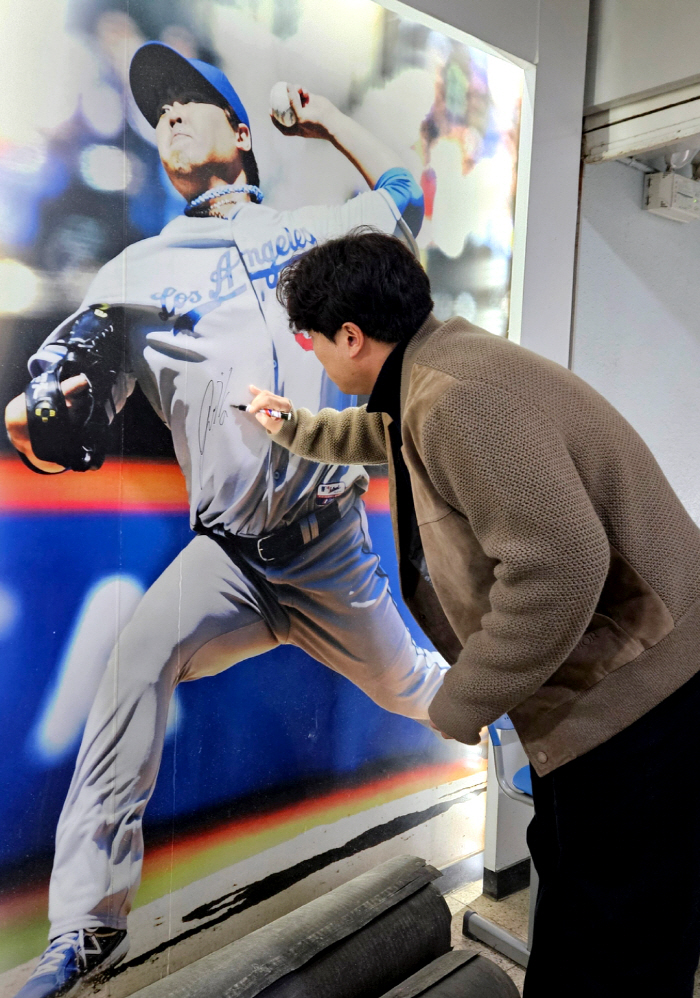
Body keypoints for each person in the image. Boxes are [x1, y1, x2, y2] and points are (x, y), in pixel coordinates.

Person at [5, 45, 449, 998]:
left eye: (190, 100)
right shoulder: (133, 272)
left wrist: (328, 116)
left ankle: (510, 736)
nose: (168, 113)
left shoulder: (316, 234)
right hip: (230, 560)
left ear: (240, 133)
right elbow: (43, 408)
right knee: (133, 660)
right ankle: (87, 928)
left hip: (331, 553)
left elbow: (411, 194)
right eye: (157, 109)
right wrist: (39, 421)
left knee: (419, 689)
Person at [250, 229, 700, 998]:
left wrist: (457, 702)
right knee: (579, 891)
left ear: (352, 338)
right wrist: (294, 428)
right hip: (632, 679)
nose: (314, 356)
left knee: (619, 940)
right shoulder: (438, 364)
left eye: (313, 341)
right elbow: (387, 431)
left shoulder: (458, 401)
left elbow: (561, 569)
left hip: (643, 702)